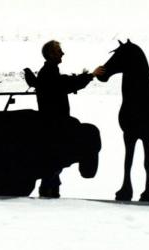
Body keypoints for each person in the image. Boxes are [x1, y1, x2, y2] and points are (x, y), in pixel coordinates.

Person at [36, 40, 104, 198]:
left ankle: (52, 185)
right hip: (54, 124)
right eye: (59, 51)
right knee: (57, 154)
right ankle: (48, 187)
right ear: (51, 54)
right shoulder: (48, 73)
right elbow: (66, 84)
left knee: (55, 157)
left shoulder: (50, 71)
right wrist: (91, 75)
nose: (62, 53)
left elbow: (66, 82)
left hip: (55, 122)